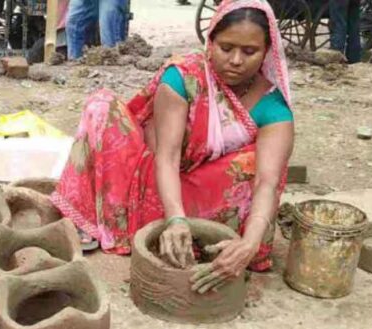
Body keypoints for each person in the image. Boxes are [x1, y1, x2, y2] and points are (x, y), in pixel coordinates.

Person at [51, 0, 294, 293]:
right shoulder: (184, 77)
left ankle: (222, 241)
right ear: (210, 41)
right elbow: (166, 156)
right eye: (226, 48)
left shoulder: (274, 106)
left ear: (266, 51)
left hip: (204, 191)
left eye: (249, 51)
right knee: (101, 107)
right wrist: (176, 219)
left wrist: (250, 243)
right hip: (155, 177)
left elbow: (267, 183)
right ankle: (121, 219)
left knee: (259, 164)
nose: (236, 60)